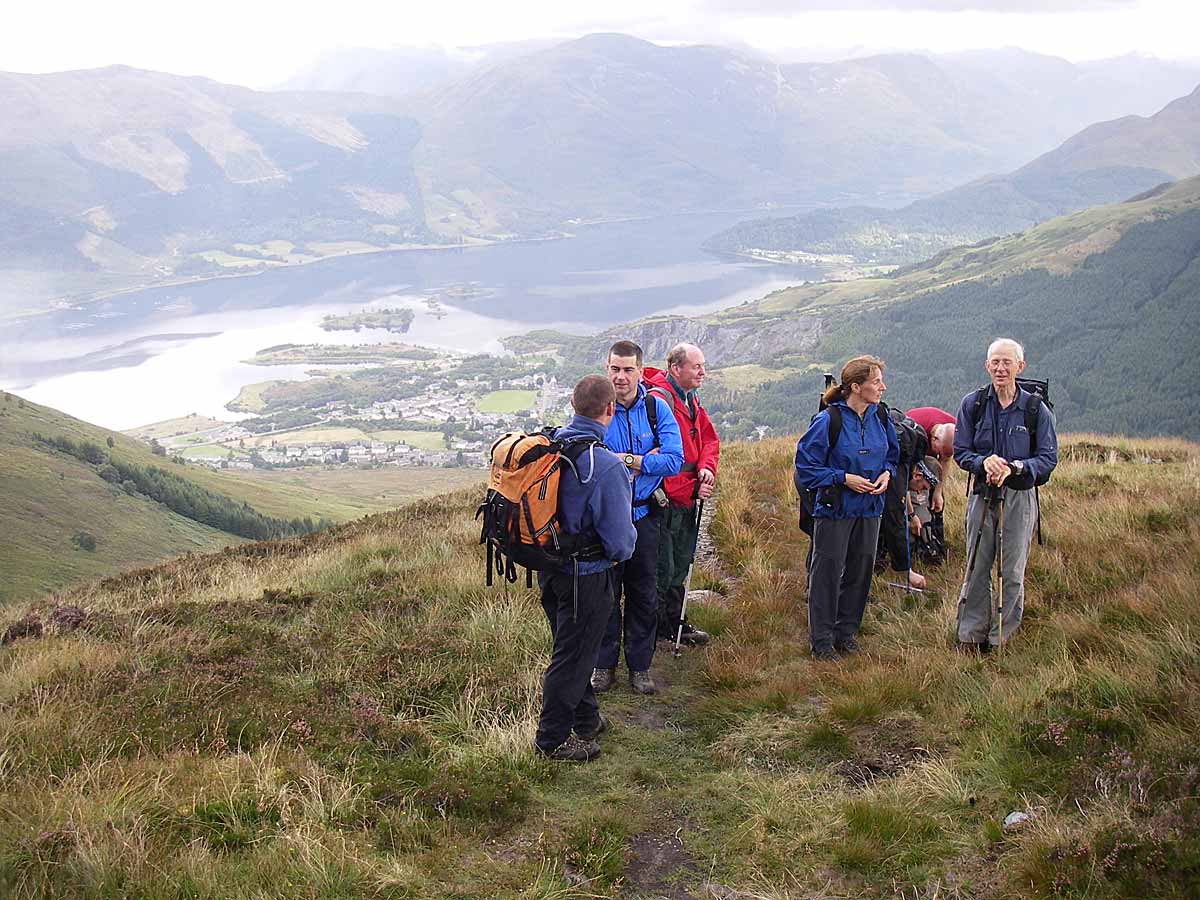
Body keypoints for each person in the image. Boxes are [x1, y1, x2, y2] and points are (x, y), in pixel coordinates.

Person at [534, 375, 637, 762]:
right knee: (572, 658)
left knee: (574, 648)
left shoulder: (551, 445)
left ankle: (587, 719)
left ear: (574, 406)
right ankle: (551, 742)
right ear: (609, 409)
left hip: (549, 568)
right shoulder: (606, 465)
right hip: (588, 577)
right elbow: (621, 542)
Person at [953, 338, 1057, 651]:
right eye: (995, 362)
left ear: (1020, 367)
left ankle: (1001, 636)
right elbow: (960, 452)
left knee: (1011, 569)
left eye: (1007, 362)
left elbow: (1048, 458)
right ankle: (970, 635)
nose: (1000, 368)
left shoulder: (1035, 410)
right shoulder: (972, 404)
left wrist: (1015, 467)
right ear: (987, 366)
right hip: (982, 494)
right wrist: (982, 461)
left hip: (1019, 497)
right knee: (976, 564)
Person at [592, 340, 683, 696]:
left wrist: (627, 460)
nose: (620, 376)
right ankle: (603, 665)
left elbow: (674, 460)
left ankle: (640, 667)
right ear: (607, 369)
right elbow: (588, 456)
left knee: (644, 592)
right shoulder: (598, 407)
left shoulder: (655, 408)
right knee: (606, 594)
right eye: (615, 369)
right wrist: (646, 458)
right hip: (605, 519)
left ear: (641, 372)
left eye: (628, 370)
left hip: (646, 514)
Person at [795, 356, 899, 661]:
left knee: (861, 569)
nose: (882, 386)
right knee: (827, 571)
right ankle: (822, 641)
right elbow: (805, 467)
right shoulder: (829, 421)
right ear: (856, 386)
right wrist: (843, 478)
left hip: (870, 508)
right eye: (876, 381)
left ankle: (846, 633)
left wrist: (887, 474)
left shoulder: (881, 416)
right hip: (835, 508)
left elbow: (891, 455)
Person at [643, 343, 720, 648]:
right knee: (662, 566)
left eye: (702, 365)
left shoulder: (690, 400)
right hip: (664, 498)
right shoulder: (659, 400)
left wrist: (706, 469)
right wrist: (689, 485)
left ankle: (673, 625)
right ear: (676, 368)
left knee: (680, 561)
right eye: (696, 366)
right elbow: (657, 456)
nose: (702, 371)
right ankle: (653, 630)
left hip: (686, 495)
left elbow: (709, 439)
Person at [905, 406, 956, 514]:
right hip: (910, 460)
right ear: (933, 439)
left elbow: (945, 461)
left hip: (930, 466)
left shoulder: (953, 429)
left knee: (937, 501)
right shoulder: (914, 429)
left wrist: (938, 491)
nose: (940, 455)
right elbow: (904, 471)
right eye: (940, 451)